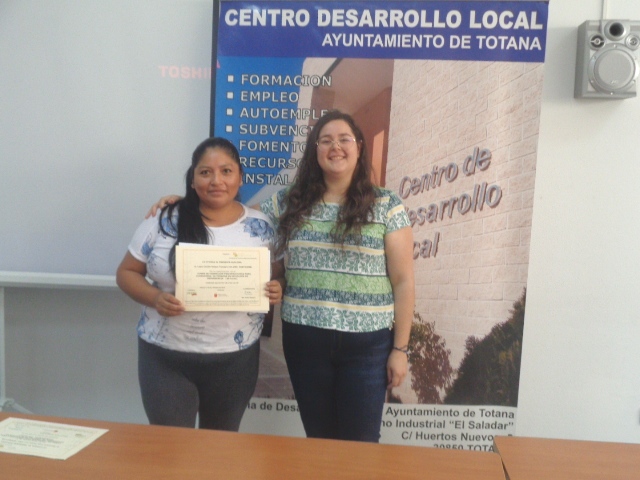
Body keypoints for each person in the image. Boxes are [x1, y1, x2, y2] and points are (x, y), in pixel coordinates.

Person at [149, 110, 414, 442]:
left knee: (360, 446)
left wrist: (400, 350)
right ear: (315, 150)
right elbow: (234, 215)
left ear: (359, 146)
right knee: (318, 440)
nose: (336, 147)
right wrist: (186, 204)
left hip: (367, 346)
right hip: (306, 342)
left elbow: (403, 281)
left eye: (344, 139)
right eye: (326, 140)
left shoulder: (387, 205)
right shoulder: (292, 200)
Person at [117, 137, 283, 431]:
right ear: (192, 180)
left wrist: (276, 287)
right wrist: (155, 298)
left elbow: (279, 275)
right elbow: (126, 273)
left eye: (226, 171)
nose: (216, 180)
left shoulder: (262, 227)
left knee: (217, 453)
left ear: (240, 178)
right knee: (170, 452)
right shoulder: (164, 220)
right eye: (205, 172)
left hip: (235, 360)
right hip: (165, 356)